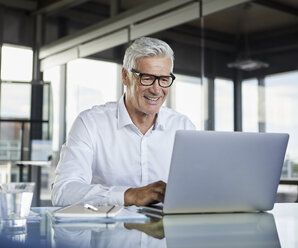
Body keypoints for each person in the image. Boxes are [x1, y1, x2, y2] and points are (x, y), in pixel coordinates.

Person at [52, 37, 195, 207]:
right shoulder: (91, 123)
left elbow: (200, 187)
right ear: (126, 77)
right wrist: (130, 196)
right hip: (107, 231)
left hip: (166, 232)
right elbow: (63, 192)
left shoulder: (183, 127)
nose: (156, 89)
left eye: (164, 79)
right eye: (147, 78)